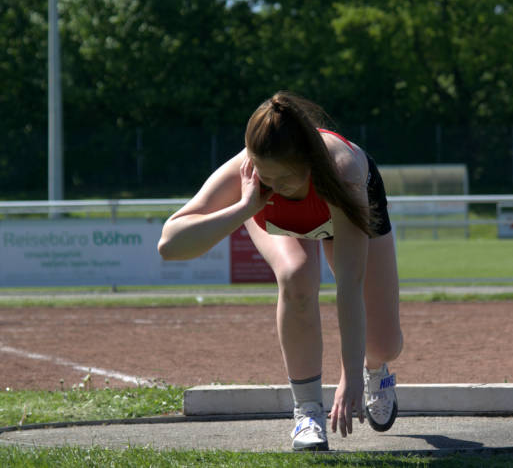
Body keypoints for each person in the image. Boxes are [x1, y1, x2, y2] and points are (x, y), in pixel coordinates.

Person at [158, 91, 403, 451]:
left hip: (342, 213)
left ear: (308, 163)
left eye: (283, 181)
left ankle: (376, 369)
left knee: (384, 343)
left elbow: (350, 285)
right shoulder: (250, 169)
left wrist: (351, 373)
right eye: (264, 177)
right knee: (296, 275)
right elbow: (170, 245)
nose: (271, 187)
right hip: (279, 225)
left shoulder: (343, 172)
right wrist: (244, 207)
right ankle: (306, 410)